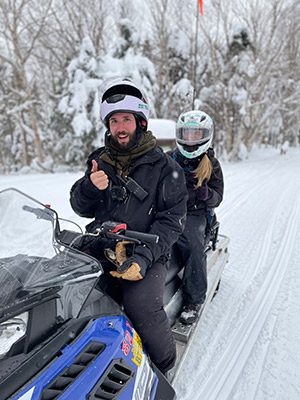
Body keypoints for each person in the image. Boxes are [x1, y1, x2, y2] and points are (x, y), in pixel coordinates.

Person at [69, 77, 188, 375]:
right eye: (114, 121)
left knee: (140, 304)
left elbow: (172, 220)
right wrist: (89, 187)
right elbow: (80, 207)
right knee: (69, 293)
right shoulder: (99, 160)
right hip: (102, 245)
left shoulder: (166, 168)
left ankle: (164, 364)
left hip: (146, 250)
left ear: (141, 122)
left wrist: (143, 256)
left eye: (126, 119)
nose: (120, 127)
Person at [169, 110, 224, 324]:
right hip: (170, 209)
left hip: (195, 213)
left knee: (192, 246)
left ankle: (193, 299)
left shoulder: (211, 164)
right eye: (187, 134)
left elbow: (218, 196)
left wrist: (207, 194)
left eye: (196, 134)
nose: (190, 140)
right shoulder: (169, 159)